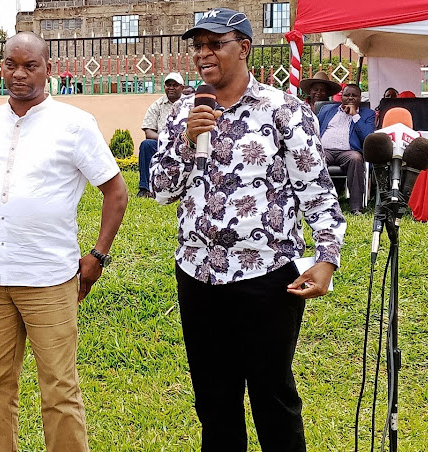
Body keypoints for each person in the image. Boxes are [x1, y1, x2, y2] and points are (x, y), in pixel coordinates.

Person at [150, 9, 346, 451]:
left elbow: (316, 191)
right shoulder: (183, 110)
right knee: (214, 401)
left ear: (244, 47)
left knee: (272, 396)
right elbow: (162, 191)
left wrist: (326, 258)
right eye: (198, 46)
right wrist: (185, 141)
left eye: (215, 44)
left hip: (267, 276)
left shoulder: (284, 109)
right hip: (198, 274)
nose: (203, 54)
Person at [0, 32, 128, 452]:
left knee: (59, 388)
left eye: (30, 66)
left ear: (48, 69)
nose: (19, 73)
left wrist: (98, 254)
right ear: (0, 66)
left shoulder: (75, 125)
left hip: (47, 277)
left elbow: (116, 192)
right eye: (11, 64)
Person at [318, 84, 376, 215]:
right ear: (341, 97)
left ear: (360, 98)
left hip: (349, 152)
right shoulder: (326, 110)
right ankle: (318, 203)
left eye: (354, 95)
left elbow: (367, 137)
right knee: (316, 158)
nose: (350, 98)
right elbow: (315, 128)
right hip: (325, 150)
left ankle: (356, 208)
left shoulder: (368, 114)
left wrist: (355, 115)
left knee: (356, 159)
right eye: (347, 95)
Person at [137, 72, 184, 197]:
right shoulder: (157, 105)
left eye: (175, 85)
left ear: (182, 88)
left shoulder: (189, 104)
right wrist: (166, 139)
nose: (171, 88)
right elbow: (148, 131)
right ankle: (146, 188)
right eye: (168, 85)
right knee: (146, 145)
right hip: (162, 143)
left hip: (185, 143)